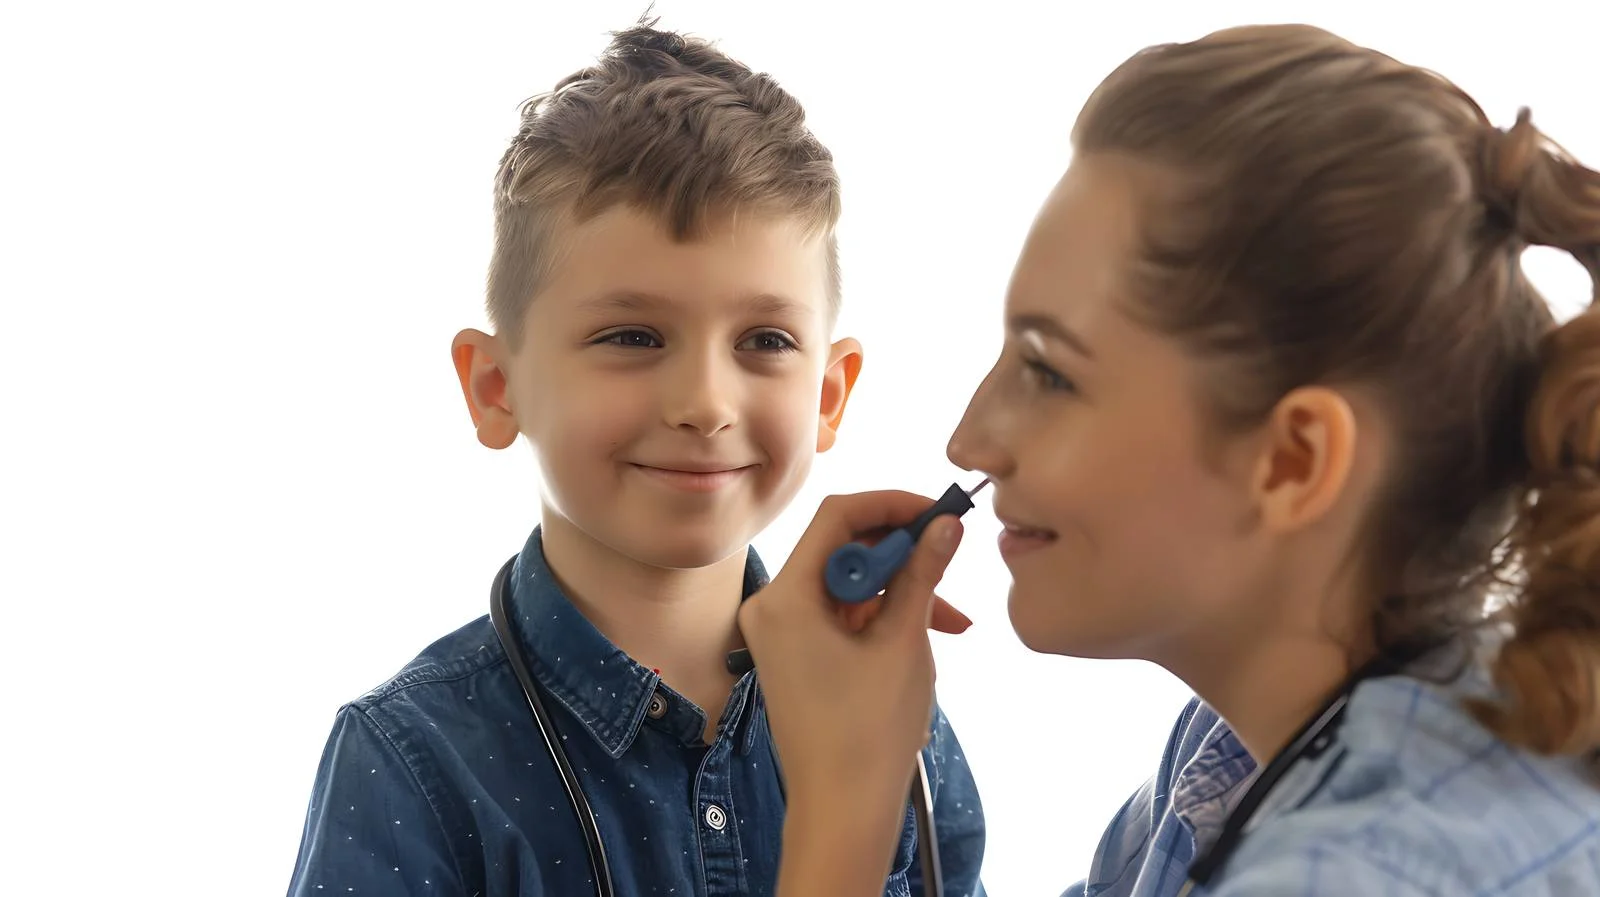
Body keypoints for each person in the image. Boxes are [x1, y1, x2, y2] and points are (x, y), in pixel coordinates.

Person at [737, 22, 1600, 897]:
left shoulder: (1353, 875)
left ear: (1293, 461)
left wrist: (846, 800)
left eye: (1049, 370)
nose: (971, 442)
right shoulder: (1237, 754)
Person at [284, 20, 987, 897]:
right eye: (632, 335)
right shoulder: (410, 762)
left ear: (830, 394)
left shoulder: (892, 721)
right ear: (497, 388)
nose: (703, 403)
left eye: (764, 339)